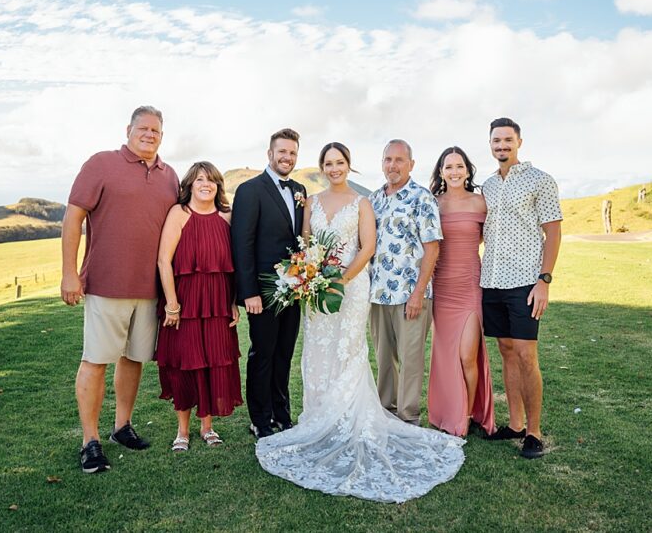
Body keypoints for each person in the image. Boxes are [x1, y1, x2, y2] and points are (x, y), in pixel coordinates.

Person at [256, 143, 464, 503]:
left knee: (352, 351)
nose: (334, 168)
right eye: (328, 163)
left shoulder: (364, 202)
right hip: (321, 291)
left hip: (352, 289)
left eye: (340, 162)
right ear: (321, 167)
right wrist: (311, 277)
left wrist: (339, 280)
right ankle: (322, 415)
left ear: (349, 166)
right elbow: (305, 244)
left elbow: (367, 248)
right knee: (323, 353)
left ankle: (388, 418)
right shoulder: (317, 203)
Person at [61, 105, 179, 474]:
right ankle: (90, 441)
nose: (149, 134)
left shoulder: (170, 175)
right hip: (105, 285)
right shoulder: (100, 164)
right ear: (128, 129)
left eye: (156, 130)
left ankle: (121, 427)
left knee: (133, 358)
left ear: (162, 135)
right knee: (96, 360)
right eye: (143, 128)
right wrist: (69, 273)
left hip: (150, 289)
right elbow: (73, 218)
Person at [480, 117, 562, 459]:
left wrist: (544, 281)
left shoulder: (539, 180)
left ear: (519, 142)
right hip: (492, 282)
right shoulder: (486, 185)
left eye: (508, 140)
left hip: (526, 283)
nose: (502, 146)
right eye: (496, 141)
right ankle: (513, 424)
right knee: (506, 351)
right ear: (490, 144)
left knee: (527, 355)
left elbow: (554, 232)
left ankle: (534, 431)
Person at [155, 162, 243, 452]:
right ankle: (182, 430)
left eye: (213, 180)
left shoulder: (227, 217)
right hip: (184, 306)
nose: (207, 184)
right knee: (185, 366)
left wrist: (233, 303)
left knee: (212, 365)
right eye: (200, 179)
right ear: (190, 184)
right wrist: (171, 304)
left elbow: (232, 267)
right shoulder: (180, 214)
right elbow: (163, 260)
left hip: (217, 306)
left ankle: (207, 428)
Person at [230, 128, 306, 439]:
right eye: (282, 151)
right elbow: (242, 244)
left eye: (292, 152)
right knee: (262, 354)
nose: (287, 157)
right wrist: (248, 292)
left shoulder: (300, 190)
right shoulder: (250, 190)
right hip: (262, 291)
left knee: (284, 353)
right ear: (270, 154)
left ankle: (281, 413)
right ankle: (259, 419)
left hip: (295, 289)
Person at [368, 139, 442, 425]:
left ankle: (409, 419)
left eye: (399, 160)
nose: (393, 165)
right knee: (384, 359)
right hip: (379, 294)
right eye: (388, 159)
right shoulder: (375, 199)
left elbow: (432, 248)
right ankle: (387, 414)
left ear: (411, 164)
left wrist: (418, 294)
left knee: (410, 360)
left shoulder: (422, 198)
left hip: (411, 294)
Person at [427, 146, 496, 437]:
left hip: (469, 285)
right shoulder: (433, 204)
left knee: (468, 355)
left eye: (459, 166)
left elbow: (491, 239)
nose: (454, 172)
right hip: (442, 286)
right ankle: (446, 412)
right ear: (441, 172)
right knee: (445, 355)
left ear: (467, 170)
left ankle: (467, 413)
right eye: (448, 167)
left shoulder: (481, 202)